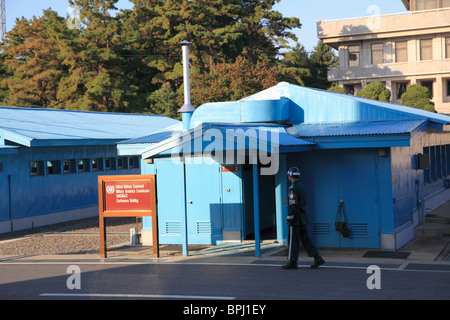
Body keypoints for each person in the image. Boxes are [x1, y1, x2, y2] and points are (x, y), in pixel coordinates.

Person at [282, 167, 325, 270]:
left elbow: (293, 205)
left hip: (295, 217)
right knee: (305, 239)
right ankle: (317, 257)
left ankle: (292, 261)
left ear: (290, 176)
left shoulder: (292, 188)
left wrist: (289, 218)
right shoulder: (302, 186)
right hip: (303, 217)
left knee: (293, 240)